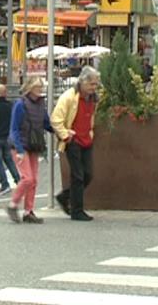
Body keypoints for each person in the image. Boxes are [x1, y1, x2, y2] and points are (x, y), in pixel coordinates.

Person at [51, 66, 100, 222]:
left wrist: (90, 133)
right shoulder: (69, 97)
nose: (94, 87)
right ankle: (77, 210)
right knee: (78, 175)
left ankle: (65, 197)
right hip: (73, 141)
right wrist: (66, 135)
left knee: (88, 174)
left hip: (86, 139)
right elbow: (56, 119)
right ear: (82, 82)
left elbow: (91, 116)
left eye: (95, 84)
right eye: (91, 84)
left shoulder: (93, 98)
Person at [6, 77, 53, 224]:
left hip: (33, 144)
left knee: (33, 180)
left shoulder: (40, 104)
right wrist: (19, 149)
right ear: (30, 88)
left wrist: (60, 131)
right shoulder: (20, 104)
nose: (40, 89)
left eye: (41, 87)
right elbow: (14, 128)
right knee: (28, 178)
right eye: (38, 87)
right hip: (21, 145)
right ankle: (13, 204)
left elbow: (46, 123)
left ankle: (28, 211)